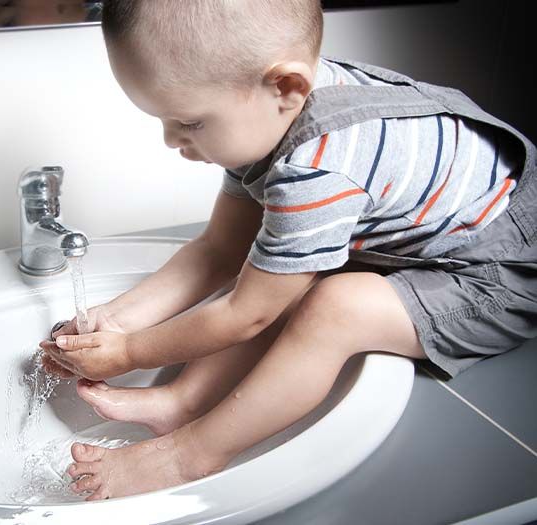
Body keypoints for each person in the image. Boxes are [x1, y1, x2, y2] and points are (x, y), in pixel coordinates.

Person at [39, 0, 537, 501]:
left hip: (498, 275)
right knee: (271, 268)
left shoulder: (319, 168)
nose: (172, 140)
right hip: (435, 241)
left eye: (188, 122)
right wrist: (116, 320)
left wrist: (130, 353)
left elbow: (248, 314)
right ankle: (182, 401)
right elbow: (219, 250)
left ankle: (191, 454)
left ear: (287, 88)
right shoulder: (270, 113)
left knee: (334, 307)